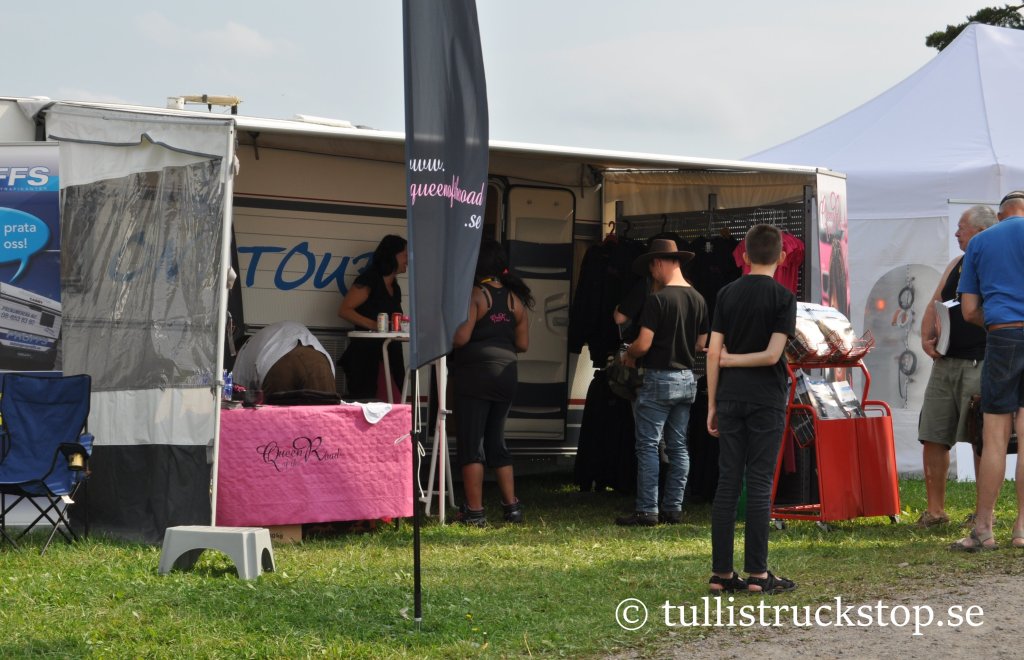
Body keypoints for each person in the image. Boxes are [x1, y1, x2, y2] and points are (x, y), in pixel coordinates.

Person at [706, 224, 796, 594]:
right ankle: (758, 573)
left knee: (728, 482)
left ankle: (721, 574)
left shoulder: (726, 293)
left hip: (729, 397)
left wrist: (712, 402)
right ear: (782, 257)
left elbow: (714, 352)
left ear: (743, 256)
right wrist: (733, 361)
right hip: (765, 398)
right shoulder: (783, 297)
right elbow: (773, 355)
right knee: (759, 483)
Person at [616, 238, 707, 526]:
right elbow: (700, 344)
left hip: (658, 379)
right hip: (687, 378)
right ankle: (673, 508)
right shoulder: (698, 298)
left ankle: (647, 510)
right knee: (678, 447)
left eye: (651, 268)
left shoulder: (657, 300)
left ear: (658, 263)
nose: (652, 275)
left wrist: (629, 354)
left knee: (648, 446)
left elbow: (643, 344)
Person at [952, 192, 1024, 551]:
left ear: (999, 215)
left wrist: (997, 323)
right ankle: (1022, 529)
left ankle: (984, 529)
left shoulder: (982, 242)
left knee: (995, 436)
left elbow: (968, 310)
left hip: (1003, 335)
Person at [916, 205, 996, 528]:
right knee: (933, 433)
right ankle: (935, 512)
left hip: (981, 361)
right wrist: (926, 337)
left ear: (981, 233)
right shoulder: (956, 263)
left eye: (962, 227)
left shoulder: (996, 264)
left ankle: (982, 513)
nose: (956, 232)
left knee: (981, 437)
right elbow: (936, 302)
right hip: (946, 361)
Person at [449, 240, 533, 526]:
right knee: (497, 440)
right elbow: (522, 344)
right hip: (506, 375)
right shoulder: (515, 300)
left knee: (472, 442)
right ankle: (512, 507)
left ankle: (474, 512)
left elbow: (461, 338)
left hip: (475, 374)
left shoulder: (476, 294)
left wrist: (447, 334)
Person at [338, 235, 408, 400]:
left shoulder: (395, 287)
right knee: (368, 402)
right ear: (393, 255)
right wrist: (374, 325)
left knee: (396, 401)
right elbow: (344, 310)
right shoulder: (369, 279)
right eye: (405, 255)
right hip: (366, 356)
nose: (408, 260)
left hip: (390, 355)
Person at [232, 320, 336, 397]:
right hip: (317, 356)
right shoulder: (263, 335)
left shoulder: (243, 350)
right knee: (323, 414)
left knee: (282, 418)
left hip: (279, 364)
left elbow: (240, 392)